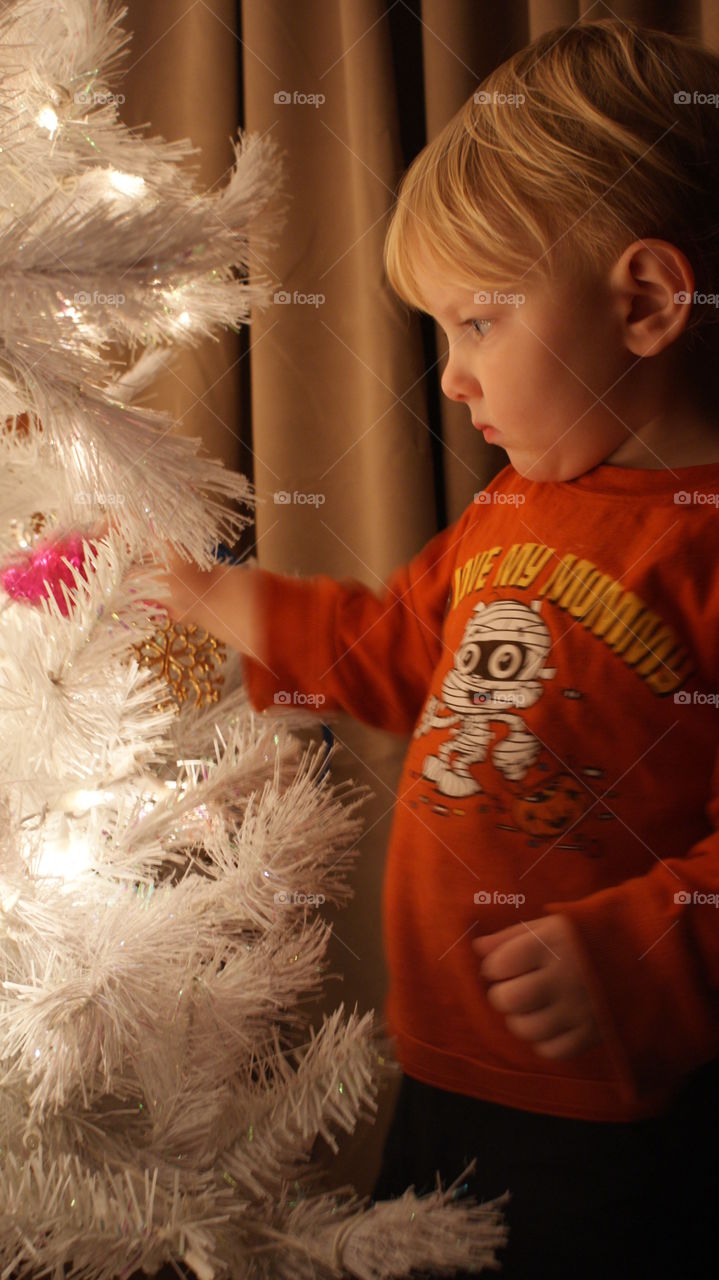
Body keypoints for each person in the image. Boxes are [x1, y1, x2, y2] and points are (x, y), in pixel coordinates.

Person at [158, 18, 719, 1277]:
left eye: (476, 324)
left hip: (612, 1117)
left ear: (642, 301)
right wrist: (227, 600)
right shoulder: (510, 508)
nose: (453, 378)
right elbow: (392, 649)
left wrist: (639, 953)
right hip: (444, 1070)